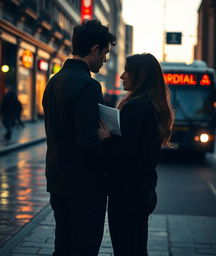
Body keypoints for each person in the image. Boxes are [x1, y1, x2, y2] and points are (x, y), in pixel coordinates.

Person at [42, 19, 116, 256]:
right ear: (94, 49)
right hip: (84, 186)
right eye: (104, 53)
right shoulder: (88, 85)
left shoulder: (54, 82)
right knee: (84, 248)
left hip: (57, 180)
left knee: (62, 246)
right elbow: (88, 140)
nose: (105, 60)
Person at [98, 53, 174, 256]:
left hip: (126, 194)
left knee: (125, 250)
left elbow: (126, 157)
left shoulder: (133, 108)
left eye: (127, 71)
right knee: (138, 248)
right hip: (145, 191)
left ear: (139, 76)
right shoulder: (154, 107)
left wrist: (106, 138)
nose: (122, 76)